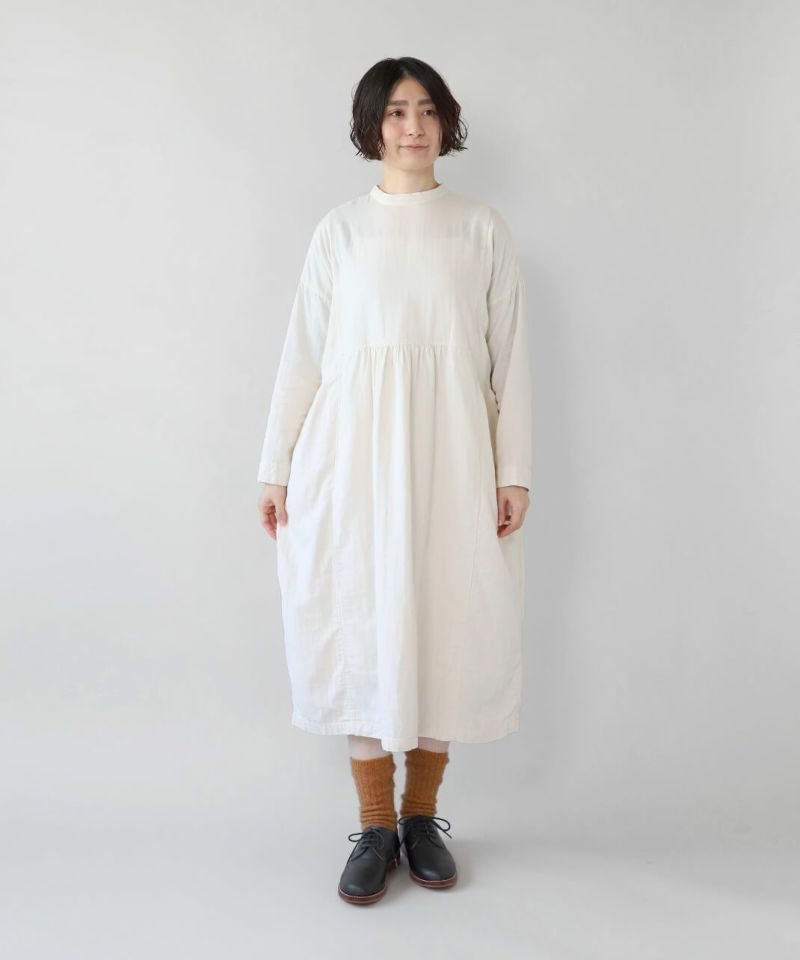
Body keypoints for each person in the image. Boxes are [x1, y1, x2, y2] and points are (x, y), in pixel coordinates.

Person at [256, 56, 532, 905]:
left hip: (453, 455)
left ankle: (421, 819)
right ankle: (375, 825)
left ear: (446, 122)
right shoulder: (340, 231)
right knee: (362, 618)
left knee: (444, 616)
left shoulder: (480, 228)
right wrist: (276, 466)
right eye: (396, 112)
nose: (413, 127)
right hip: (350, 458)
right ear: (371, 126)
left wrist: (515, 470)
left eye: (427, 110)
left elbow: (511, 360)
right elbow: (303, 355)